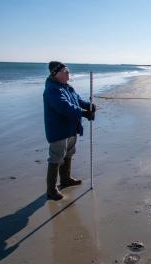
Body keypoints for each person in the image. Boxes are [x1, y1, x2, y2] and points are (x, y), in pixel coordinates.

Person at [43, 61, 96, 200]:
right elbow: (64, 107)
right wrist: (84, 113)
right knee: (56, 157)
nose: (69, 74)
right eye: (66, 72)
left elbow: (77, 101)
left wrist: (89, 106)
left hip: (71, 128)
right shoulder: (52, 90)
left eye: (68, 71)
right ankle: (51, 190)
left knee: (69, 153)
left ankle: (65, 179)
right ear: (56, 73)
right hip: (58, 130)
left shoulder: (67, 87)